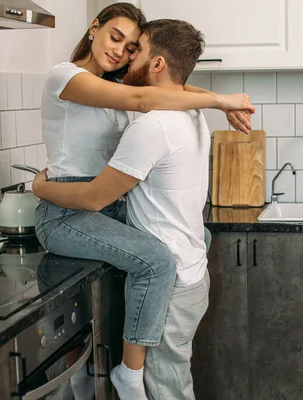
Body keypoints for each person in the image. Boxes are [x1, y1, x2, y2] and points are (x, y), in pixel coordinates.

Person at [34, 3, 253, 399]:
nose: (121, 51)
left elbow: (173, 89)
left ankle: (100, 376)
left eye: (133, 46)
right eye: (116, 37)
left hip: (104, 202)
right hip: (68, 206)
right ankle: (130, 378)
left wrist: (219, 99)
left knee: (188, 239)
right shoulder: (65, 77)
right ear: (93, 28)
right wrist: (220, 103)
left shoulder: (121, 86)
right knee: (156, 259)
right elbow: (144, 101)